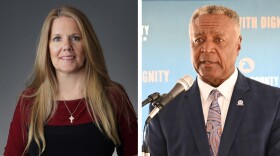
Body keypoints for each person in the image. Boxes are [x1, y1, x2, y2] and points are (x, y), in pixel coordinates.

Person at [147, 5, 280, 156]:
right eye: (199, 40)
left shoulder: (274, 103)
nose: (207, 48)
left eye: (218, 39)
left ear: (238, 44)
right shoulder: (164, 110)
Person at [4, 5, 137, 156]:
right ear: (47, 48)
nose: (66, 46)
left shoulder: (113, 97)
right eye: (57, 39)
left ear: (88, 45)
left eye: (75, 38)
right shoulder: (29, 102)